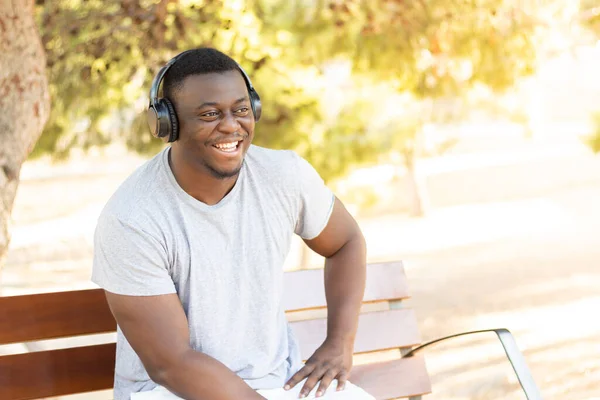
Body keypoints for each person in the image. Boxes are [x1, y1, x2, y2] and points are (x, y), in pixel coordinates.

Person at [92, 47, 367, 400]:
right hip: (170, 392)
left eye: (240, 109)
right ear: (167, 124)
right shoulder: (132, 219)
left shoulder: (283, 176)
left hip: (276, 384)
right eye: (209, 114)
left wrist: (339, 344)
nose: (231, 125)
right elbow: (171, 363)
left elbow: (346, 242)